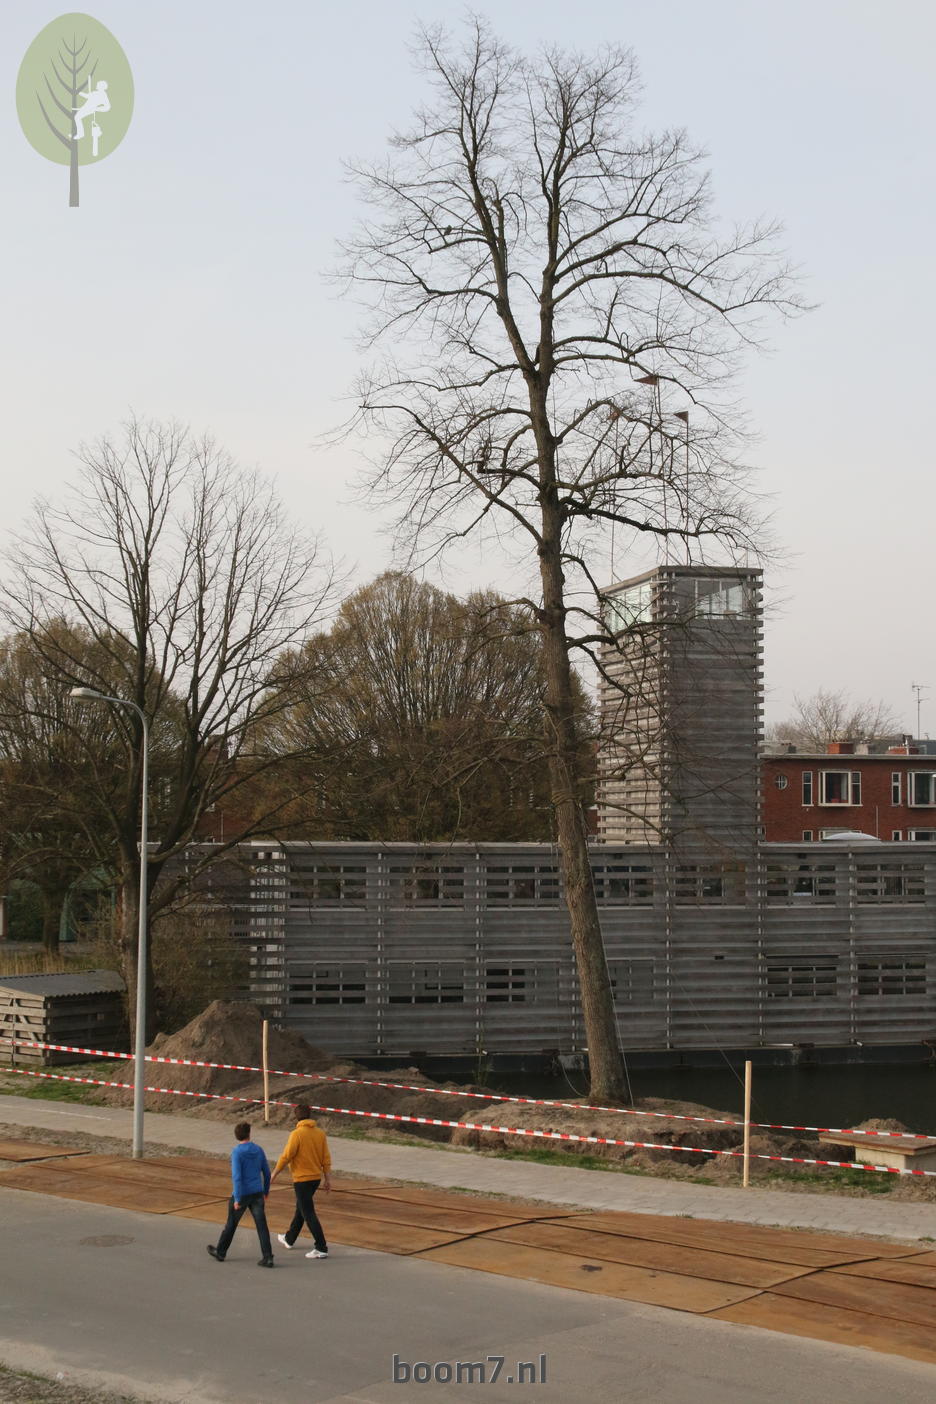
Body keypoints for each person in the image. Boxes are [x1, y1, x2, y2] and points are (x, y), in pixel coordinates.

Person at [208, 1121, 274, 1267]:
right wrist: (266, 1191)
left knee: (231, 1223)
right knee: (262, 1225)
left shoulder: (237, 1152)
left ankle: (221, 1251)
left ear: (236, 1136)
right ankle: (268, 1256)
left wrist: (237, 1199)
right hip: (257, 1192)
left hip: (243, 1193)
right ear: (249, 1134)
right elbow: (267, 1173)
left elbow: (237, 1177)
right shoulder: (258, 1150)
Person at [270, 1102, 331, 1259]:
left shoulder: (296, 1134)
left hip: (301, 1179)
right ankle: (289, 1239)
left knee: (308, 1212)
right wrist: (327, 1179)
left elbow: (286, 1156)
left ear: (296, 1117)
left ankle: (321, 1246)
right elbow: (326, 1158)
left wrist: (274, 1174)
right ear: (310, 1115)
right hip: (315, 1178)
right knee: (301, 1209)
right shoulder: (320, 1134)